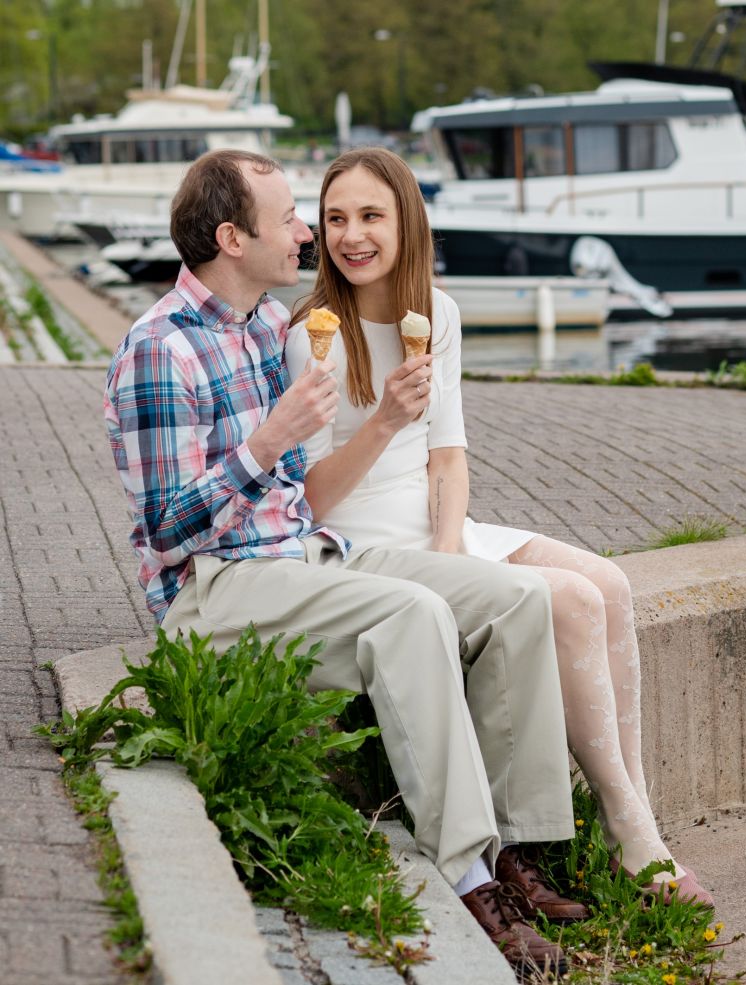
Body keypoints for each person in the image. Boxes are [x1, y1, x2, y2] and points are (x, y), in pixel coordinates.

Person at [104, 148, 591, 980]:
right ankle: (469, 878)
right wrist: (270, 441)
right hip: (212, 588)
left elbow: (310, 487)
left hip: (303, 557)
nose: (306, 232)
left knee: (513, 598)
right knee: (411, 613)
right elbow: (165, 529)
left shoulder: (263, 325)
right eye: (290, 217)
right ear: (231, 237)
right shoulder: (161, 350)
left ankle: (519, 848)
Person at [285, 147, 714, 909]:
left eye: (370, 216)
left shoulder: (436, 314)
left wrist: (453, 553)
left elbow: (449, 457)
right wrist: (383, 419)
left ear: (406, 221)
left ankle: (634, 815)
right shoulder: (313, 332)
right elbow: (310, 499)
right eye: (336, 218)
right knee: (570, 601)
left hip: (436, 530)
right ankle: (628, 833)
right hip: (359, 540)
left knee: (609, 582)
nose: (352, 235)